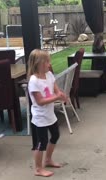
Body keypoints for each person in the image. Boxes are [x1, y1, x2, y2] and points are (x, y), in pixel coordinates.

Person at [27, 49, 67, 177]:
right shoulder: (34, 81)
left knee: (55, 135)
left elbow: (56, 90)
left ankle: (48, 160)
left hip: (50, 115)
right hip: (40, 118)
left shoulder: (49, 74)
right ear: (38, 63)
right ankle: (38, 169)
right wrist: (57, 98)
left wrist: (62, 95)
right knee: (41, 143)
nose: (49, 64)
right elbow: (40, 101)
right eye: (46, 62)